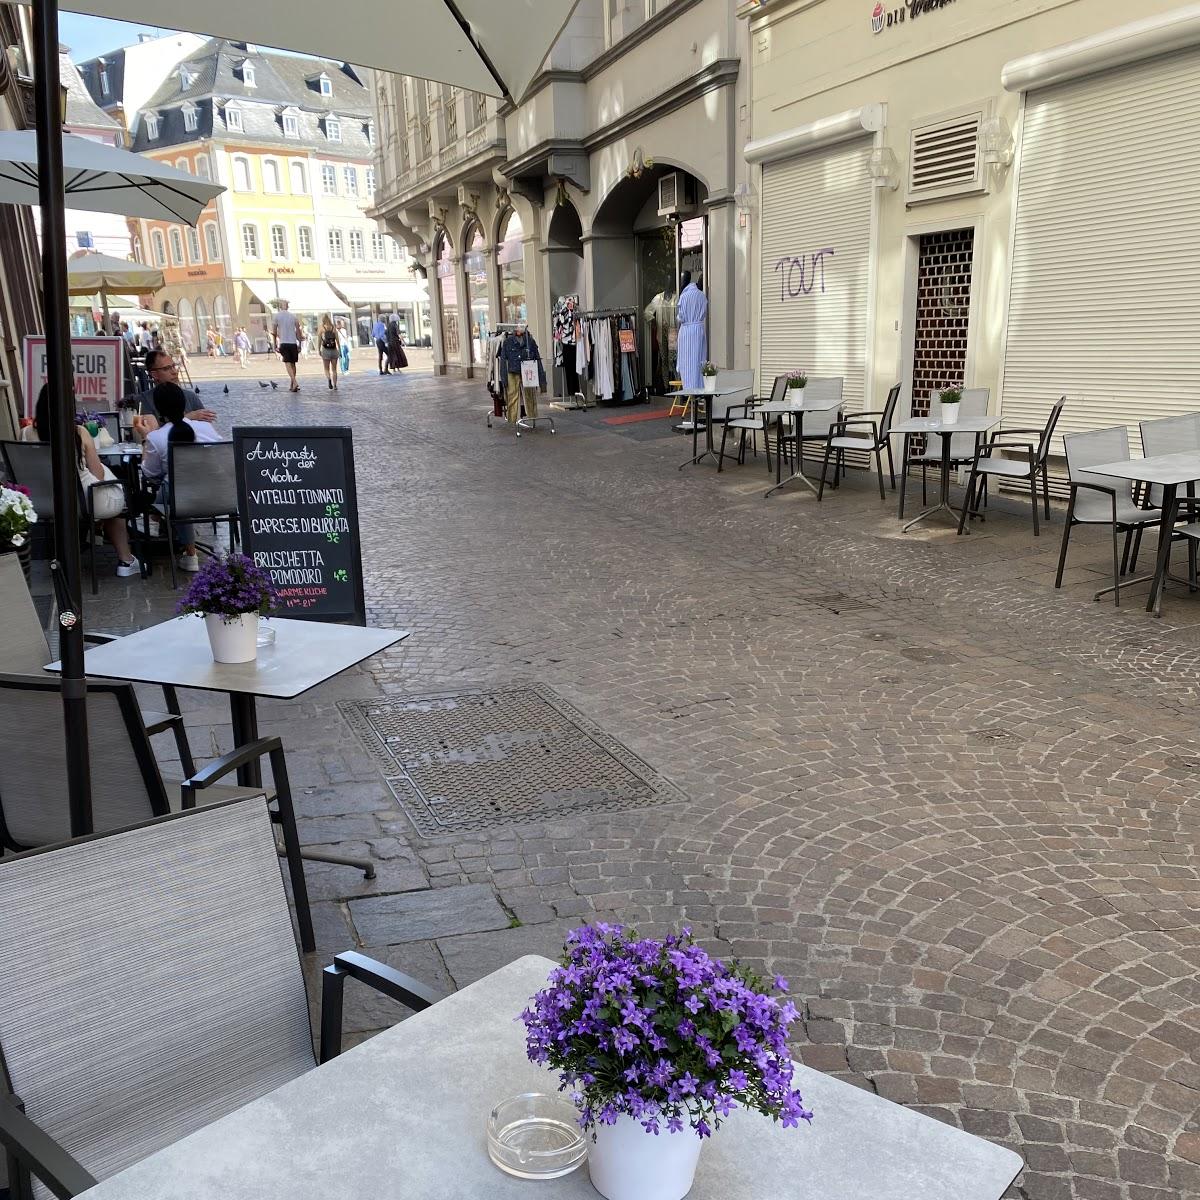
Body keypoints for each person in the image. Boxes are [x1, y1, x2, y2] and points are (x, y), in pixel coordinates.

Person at [34, 386, 140, 578]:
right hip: (83, 502)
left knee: (106, 493)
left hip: (45, 502)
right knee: (113, 498)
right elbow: (97, 474)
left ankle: (92, 538)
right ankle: (126, 560)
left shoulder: (27, 433)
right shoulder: (78, 432)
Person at [140, 382, 223, 573]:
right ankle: (157, 523)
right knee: (179, 486)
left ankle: (154, 522)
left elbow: (150, 474)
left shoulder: (157, 437)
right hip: (218, 498)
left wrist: (145, 439)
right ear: (184, 403)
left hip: (183, 500)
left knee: (174, 486)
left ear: (158, 409)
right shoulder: (206, 429)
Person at [500, 321, 545, 425]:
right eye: (518, 327)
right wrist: (504, 379)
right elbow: (503, 361)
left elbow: (537, 358)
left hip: (528, 371)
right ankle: (512, 421)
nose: (519, 329)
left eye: (522, 327)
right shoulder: (508, 342)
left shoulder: (530, 342)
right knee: (512, 396)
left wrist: (541, 377)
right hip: (513, 371)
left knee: (530, 395)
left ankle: (532, 418)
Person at [675, 270, 708, 391]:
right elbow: (704, 312)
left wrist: (680, 318)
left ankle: (689, 390)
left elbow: (681, 316)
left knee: (687, 362)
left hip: (687, 331)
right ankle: (699, 388)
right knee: (699, 359)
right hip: (699, 330)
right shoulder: (702, 296)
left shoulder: (684, 296)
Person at [273, 299, 301, 392]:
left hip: (284, 342)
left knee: (287, 363)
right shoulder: (293, 316)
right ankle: (292, 384)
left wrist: (275, 344)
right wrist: (300, 343)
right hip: (293, 343)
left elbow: (274, 332)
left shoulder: (277, 316)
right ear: (288, 306)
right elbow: (298, 331)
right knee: (293, 364)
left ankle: (294, 382)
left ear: (281, 306)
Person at [318, 313, 340, 391]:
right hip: (334, 350)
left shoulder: (321, 328)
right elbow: (337, 340)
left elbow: (319, 340)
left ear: (323, 321)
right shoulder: (333, 328)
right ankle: (335, 385)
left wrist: (319, 349)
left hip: (325, 350)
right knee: (334, 370)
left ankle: (329, 379)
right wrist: (339, 349)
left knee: (326, 368)